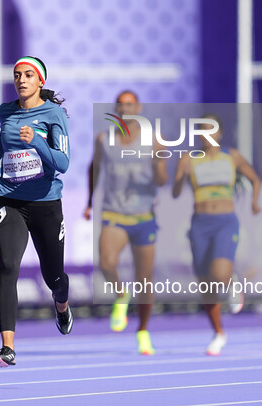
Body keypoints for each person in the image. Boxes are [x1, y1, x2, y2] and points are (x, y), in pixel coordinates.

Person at [0, 56, 72, 368]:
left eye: (28, 75)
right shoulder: (6, 111)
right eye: (17, 75)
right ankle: (8, 347)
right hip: (9, 200)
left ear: (39, 81)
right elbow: (2, 144)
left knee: (53, 276)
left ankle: (61, 305)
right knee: (8, 266)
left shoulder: (54, 114)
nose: (21, 80)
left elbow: (63, 164)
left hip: (45, 203)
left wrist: (39, 145)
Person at [84, 91, 168, 355]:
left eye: (130, 104)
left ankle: (143, 331)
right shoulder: (105, 139)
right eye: (121, 104)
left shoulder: (152, 140)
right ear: (116, 108)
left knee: (145, 279)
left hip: (143, 216)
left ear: (138, 108)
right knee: (106, 262)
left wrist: (157, 166)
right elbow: (94, 168)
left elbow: (162, 180)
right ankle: (121, 294)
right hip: (114, 213)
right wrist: (88, 201)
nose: (125, 108)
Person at [172, 115, 261, 356]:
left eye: (212, 129)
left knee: (220, 274)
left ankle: (233, 283)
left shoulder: (231, 156)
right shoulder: (190, 159)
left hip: (224, 222)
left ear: (220, 133)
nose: (207, 134)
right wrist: (180, 176)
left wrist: (254, 202)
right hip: (200, 224)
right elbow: (176, 192)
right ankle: (219, 333)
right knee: (205, 284)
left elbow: (254, 178)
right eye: (202, 129)